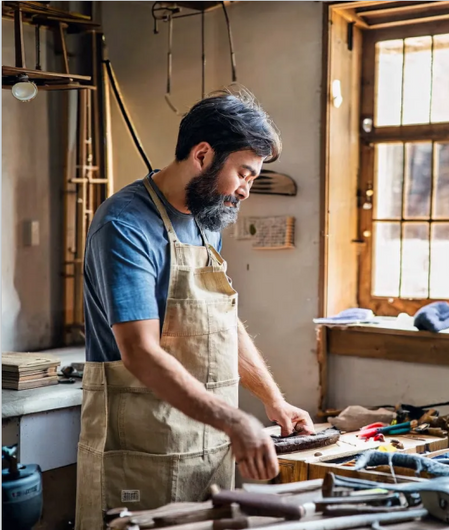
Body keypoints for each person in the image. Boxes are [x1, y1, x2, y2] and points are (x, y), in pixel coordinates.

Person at [75, 88, 314, 529]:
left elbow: (222, 321)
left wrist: (273, 401)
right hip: (142, 443)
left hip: (208, 442)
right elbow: (140, 351)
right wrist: (235, 420)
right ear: (203, 155)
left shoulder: (206, 222)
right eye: (243, 174)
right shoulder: (124, 225)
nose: (245, 191)